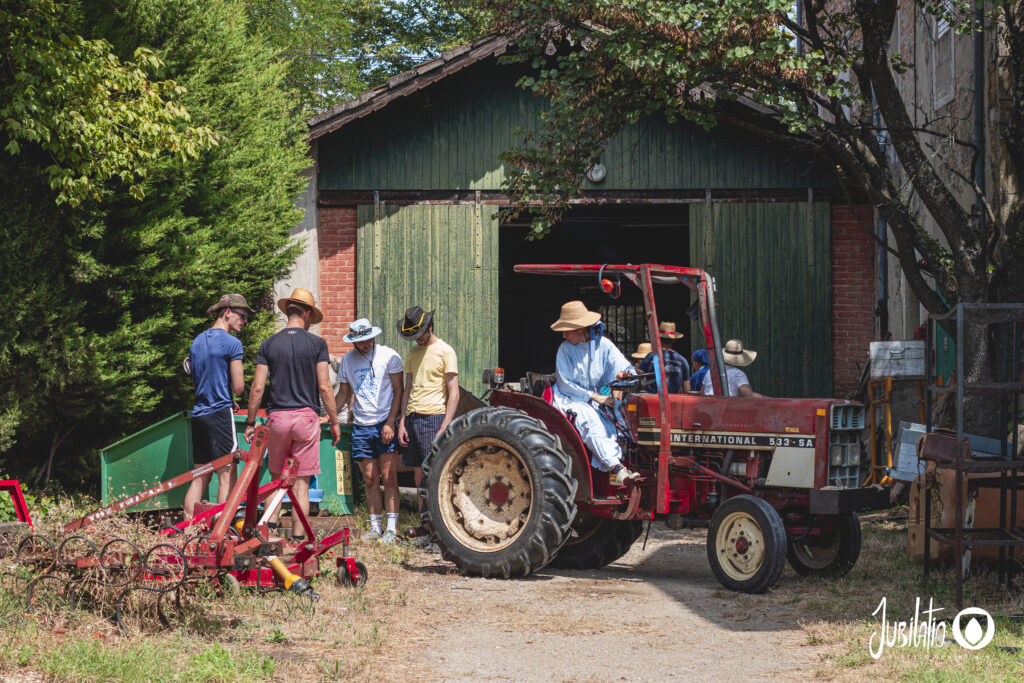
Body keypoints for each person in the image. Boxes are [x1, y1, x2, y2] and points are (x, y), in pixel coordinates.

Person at [244, 288, 340, 541]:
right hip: (306, 419)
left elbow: (257, 388)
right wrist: (335, 420)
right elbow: (324, 386)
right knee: (301, 483)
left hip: (277, 419)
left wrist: (251, 422)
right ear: (307, 314)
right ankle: (299, 539)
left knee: (276, 478)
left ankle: (270, 535)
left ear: (288, 312)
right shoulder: (317, 344)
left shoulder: (269, 344)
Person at [550, 301, 638, 486]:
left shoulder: (604, 345)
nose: (564, 334)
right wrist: (594, 397)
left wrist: (626, 375)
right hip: (569, 398)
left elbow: (623, 368)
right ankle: (615, 468)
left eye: (567, 329)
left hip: (597, 399)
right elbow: (565, 384)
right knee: (588, 416)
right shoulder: (564, 349)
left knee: (621, 413)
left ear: (580, 328)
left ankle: (627, 462)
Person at [335, 318, 404, 545]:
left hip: (384, 421)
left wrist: (391, 422)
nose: (366, 344)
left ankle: (392, 529)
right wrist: (330, 415)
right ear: (354, 341)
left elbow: (398, 390)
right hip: (362, 426)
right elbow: (344, 393)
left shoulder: (389, 356)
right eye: (361, 341)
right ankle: (375, 527)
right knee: (370, 478)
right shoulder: (347, 360)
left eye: (368, 339)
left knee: (389, 477)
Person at [184, 293, 251, 519]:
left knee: (200, 475)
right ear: (228, 312)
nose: (244, 321)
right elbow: (239, 386)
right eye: (242, 316)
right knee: (227, 472)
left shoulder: (197, 341)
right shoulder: (232, 343)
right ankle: (220, 531)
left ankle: (188, 529)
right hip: (220, 413)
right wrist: (230, 392)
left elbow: (196, 384)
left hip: (200, 413)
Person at [396, 306, 459, 500]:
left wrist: (444, 426)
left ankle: (435, 524)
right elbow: (408, 388)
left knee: (434, 473)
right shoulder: (413, 352)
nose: (418, 338)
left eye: (420, 334)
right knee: (418, 474)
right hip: (412, 418)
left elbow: (454, 392)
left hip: (433, 417)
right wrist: (402, 422)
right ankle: (423, 523)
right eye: (414, 335)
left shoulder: (445, 351)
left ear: (430, 326)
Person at [637, 321, 691, 393]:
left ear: (658, 338)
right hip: (674, 401)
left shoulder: (651, 356)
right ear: (673, 340)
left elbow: (640, 376)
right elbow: (686, 389)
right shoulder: (683, 361)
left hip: (653, 400)